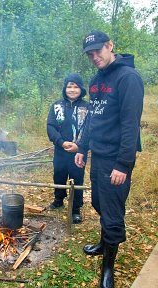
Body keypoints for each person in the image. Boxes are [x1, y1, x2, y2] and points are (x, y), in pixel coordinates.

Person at [75, 31, 144, 288]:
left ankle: (108, 269)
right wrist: (83, 147)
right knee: (98, 203)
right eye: (90, 54)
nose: (94, 57)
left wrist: (123, 165)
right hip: (99, 154)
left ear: (110, 46)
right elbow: (93, 118)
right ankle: (104, 244)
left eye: (98, 51)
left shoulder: (128, 78)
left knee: (112, 214)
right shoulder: (95, 81)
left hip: (116, 158)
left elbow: (130, 125)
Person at [47, 73, 89, 224]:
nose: (72, 89)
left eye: (76, 86)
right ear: (65, 89)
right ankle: (59, 199)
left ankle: (76, 209)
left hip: (78, 153)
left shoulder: (87, 107)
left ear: (81, 89)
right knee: (59, 175)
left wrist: (80, 146)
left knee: (77, 179)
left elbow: (90, 129)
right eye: (69, 86)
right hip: (60, 150)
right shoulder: (57, 106)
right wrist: (60, 142)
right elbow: (51, 126)